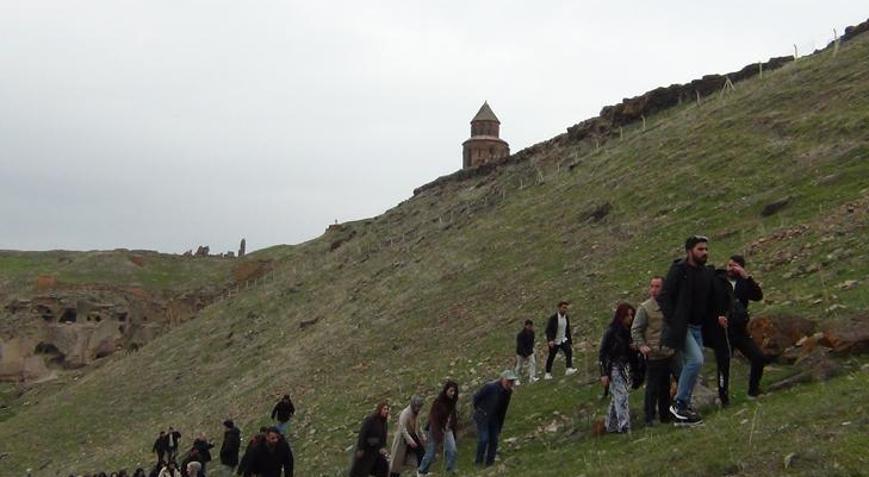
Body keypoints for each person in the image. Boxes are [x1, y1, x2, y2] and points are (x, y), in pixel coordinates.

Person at [659, 235, 725, 426]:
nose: (705, 252)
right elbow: (665, 296)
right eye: (700, 249)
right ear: (690, 251)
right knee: (696, 360)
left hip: (698, 327)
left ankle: (683, 414)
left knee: (694, 367)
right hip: (683, 327)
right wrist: (673, 320)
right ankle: (679, 404)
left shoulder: (706, 273)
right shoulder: (679, 270)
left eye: (706, 249)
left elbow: (712, 298)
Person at [715, 255, 767, 400]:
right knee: (723, 365)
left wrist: (747, 277)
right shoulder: (719, 281)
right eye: (729, 265)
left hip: (740, 330)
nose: (731, 268)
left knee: (758, 357)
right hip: (723, 330)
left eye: (735, 266)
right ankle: (723, 398)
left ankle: (753, 390)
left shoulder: (744, 283)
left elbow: (757, 296)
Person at [631, 276, 675, 426]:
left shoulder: (669, 304)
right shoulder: (645, 308)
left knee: (665, 387)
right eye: (652, 286)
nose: (654, 290)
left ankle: (665, 416)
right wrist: (642, 345)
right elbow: (636, 329)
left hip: (668, 352)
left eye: (657, 287)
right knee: (652, 387)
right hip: (654, 354)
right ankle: (649, 418)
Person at [599, 303, 637, 433]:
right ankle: (624, 426)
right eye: (627, 315)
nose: (630, 318)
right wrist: (604, 373)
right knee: (622, 395)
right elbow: (603, 352)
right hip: (614, 366)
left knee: (618, 396)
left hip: (626, 367)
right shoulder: (612, 331)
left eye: (631, 315)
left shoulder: (629, 331)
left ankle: (610, 425)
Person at [472, 370, 516, 467]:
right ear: (502, 379)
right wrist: (479, 410)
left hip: (495, 418)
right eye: (508, 381)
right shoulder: (490, 387)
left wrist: (500, 426)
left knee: (494, 441)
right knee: (484, 439)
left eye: (512, 381)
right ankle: (478, 462)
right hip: (482, 415)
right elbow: (476, 398)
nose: (510, 383)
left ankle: (489, 463)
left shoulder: (508, 392)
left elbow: (503, 410)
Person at [418, 381, 459, 476]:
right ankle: (421, 471)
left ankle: (449, 470)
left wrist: (452, 427)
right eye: (451, 391)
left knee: (452, 450)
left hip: (448, 429)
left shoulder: (453, 402)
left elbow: (453, 417)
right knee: (431, 453)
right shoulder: (438, 402)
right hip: (435, 429)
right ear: (446, 390)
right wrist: (439, 434)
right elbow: (434, 419)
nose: (453, 393)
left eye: (454, 391)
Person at [350, 402, 391, 477]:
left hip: (376, 451)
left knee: (383, 467)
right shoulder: (370, 420)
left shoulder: (384, 423)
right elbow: (363, 433)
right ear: (380, 409)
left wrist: (383, 447)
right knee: (360, 471)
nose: (386, 411)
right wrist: (361, 448)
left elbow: (383, 437)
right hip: (366, 450)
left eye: (387, 409)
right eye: (384, 409)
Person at [388, 396, 425, 477]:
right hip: (402, 440)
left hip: (413, 435)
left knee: (421, 453)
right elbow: (402, 429)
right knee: (396, 463)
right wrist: (410, 441)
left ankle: (421, 472)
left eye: (419, 407)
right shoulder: (405, 413)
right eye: (417, 407)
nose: (418, 409)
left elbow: (418, 426)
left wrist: (423, 436)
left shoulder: (417, 413)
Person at [544, 302, 578, 379]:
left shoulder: (566, 318)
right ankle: (547, 373)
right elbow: (548, 330)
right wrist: (550, 340)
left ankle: (568, 368)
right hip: (554, 341)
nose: (565, 309)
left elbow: (567, 330)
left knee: (569, 351)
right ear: (559, 308)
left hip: (563, 339)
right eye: (563, 307)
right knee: (551, 356)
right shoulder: (553, 318)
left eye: (566, 308)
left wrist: (570, 341)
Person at [514, 320, 538, 384]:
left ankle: (532, 378)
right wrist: (525, 354)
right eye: (528, 326)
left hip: (529, 351)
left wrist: (531, 351)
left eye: (531, 326)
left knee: (533, 363)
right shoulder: (520, 335)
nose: (530, 327)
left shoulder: (532, 333)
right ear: (525, 326)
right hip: (520, 353)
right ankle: (517, 379)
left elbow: (531, 343)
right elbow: (520, 346)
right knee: (519, 366)